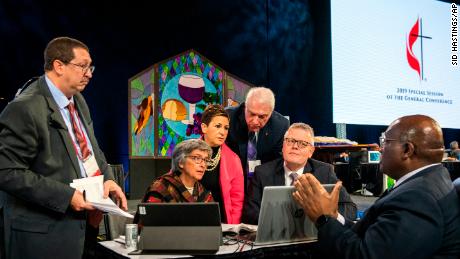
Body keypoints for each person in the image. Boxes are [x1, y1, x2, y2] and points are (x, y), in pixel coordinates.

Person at [0, 37, 127, 259]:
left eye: (91, 67)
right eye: (83, 66)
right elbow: (7, 171)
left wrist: (107, 178)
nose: (89, 73)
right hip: (43, 237)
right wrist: (66, 196)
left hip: (83, 229)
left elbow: (92, 150)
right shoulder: (25, 108)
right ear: (59, 66)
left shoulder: (78, 100)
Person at [293, 115, 460, 258]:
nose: (380, 148)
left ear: (407, 150)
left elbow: (364, 254)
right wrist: (334, 216)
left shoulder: (418, 198)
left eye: (385, 141)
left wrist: (323, 219)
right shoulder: (432, 179)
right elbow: (370, 236)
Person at [243, 123, 357, 224]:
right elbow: (250, 214)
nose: (295, 146)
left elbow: (350, 209)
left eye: (302, 144)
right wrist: (287, 221)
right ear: (283, 146)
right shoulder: (262, 172)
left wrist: (319, 216)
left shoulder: (325, 172)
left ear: (311, 152)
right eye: (291, 141)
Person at [226, 87, 289, 192]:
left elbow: (277, 164)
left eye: (262, 117)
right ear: (245, 107)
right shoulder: (228, 118)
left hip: (263, 183)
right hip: (232, 181)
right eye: (252, 114)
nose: (255, 121)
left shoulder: (281, 125)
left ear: (271, 113)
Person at [200, 104, 244, 224]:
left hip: (222, 223)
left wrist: (233, 229)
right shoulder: (187, 153)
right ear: (204, 127)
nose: (223, 132)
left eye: (226, 128)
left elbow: (237, 200)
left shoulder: (234, 159)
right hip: (192, 221)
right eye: (218, 126)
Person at [139, 139, 214, 203]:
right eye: (197, 158)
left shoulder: (204, 194)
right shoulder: (161, 188)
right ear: (181, 162)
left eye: (206, 160)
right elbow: (150, 219)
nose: (203, 165)